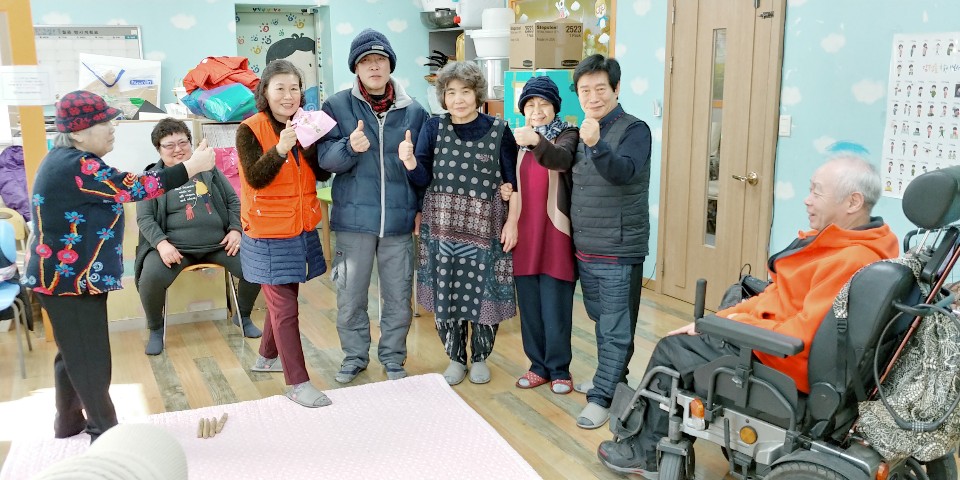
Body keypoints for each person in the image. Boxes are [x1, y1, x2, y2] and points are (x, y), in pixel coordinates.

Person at [597, 155, 899, 477]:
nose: (807, 199)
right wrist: (722, 319)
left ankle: (645, 454)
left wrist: (734, 325)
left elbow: (802, 336)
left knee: (671, 350)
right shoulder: (872, 243)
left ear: (853, 202)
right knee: (715, 316)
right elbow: (779, 295)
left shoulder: (849, 259)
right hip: (786, 345)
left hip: (785, 361)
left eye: (817, 191)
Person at [23, 90, 216, 441]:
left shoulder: (67, 159)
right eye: (105, 122)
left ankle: (68, 423)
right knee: (90, 359)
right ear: (79, 132)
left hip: (61, 279)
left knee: (73, 354)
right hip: (69, 282)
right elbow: (136, 187)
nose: (113, 128)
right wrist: (193, 166)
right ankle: (104, 434)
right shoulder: (78, 165)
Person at [317, 29, 429, 384]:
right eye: (366, 60)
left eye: (380, 59)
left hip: (399, 221)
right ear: (356, 67)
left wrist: (420, 208)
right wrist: (349, 147)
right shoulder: (335, 106)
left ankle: (394, 358)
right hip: (353, 222)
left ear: (390, 64)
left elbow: (425, 170)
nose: (374, 66)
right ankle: (354, 357)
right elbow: (324, 163)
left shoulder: (415, 111)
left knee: (398, 296)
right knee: (350, 296)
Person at [405, 61, 520, 386]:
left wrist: (512, 221)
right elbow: (422, 178)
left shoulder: (500, 130)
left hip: (487, 229)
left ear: (477, 94)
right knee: (447, 292)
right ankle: (455, 357)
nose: (458, 99)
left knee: (485, 292)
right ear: (443, 95)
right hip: (441, 228)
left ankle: (481, 357)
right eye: (451, 92)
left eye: (465, 91)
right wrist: (410, 161)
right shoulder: (433, 127)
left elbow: (513, 184)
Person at [562, 54, 653, 430]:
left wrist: (597, 144)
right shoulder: (582, 130)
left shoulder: (635, 130)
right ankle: (613, 381)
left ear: (616, 89)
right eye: (585, 90)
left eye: (601, 88)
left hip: (618, 247)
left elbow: (623, 172)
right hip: (587, 245)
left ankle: (601, 398)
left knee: (616, 326)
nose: (593, 96)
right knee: (602, 320)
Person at [236, 59, 332, 408]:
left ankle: (266, 357)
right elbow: (255, 178)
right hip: (267, 231)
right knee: (285, 307)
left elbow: (321, 174)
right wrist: (280, 148)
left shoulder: (305, 123)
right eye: (280, 88)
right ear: (265, 92)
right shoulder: (249, 129)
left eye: (294, 88)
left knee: (286, 295)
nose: (288, 96)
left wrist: (313, 143)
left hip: (300, 225)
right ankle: (298, 383)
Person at [135, 118, 263, 356]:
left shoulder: (208, 169)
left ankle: (243, 316)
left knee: (256, 265)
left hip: (218, 245)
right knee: (149, 278)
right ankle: (155, 329)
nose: (178, 149)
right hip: (175, 250)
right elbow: (145, 219)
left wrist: (235, 230)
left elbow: (233, 201)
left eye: (183, 142)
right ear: (159, 150)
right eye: (169, 145)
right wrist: (161, 245)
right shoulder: (151, 178)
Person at [503, 76, 580, 394]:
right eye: (530, 104)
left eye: (543, 104)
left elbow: (562, 160)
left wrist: (536, 141)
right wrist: (505, 190)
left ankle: (560, 369)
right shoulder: (514, 141)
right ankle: (537, 366)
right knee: (531, 307)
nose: (537, 110)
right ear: (522, 109)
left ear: (555, 107)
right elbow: (507, 180)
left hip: (556, 233)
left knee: (555, 306)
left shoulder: (568, 135)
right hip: (524, 233)